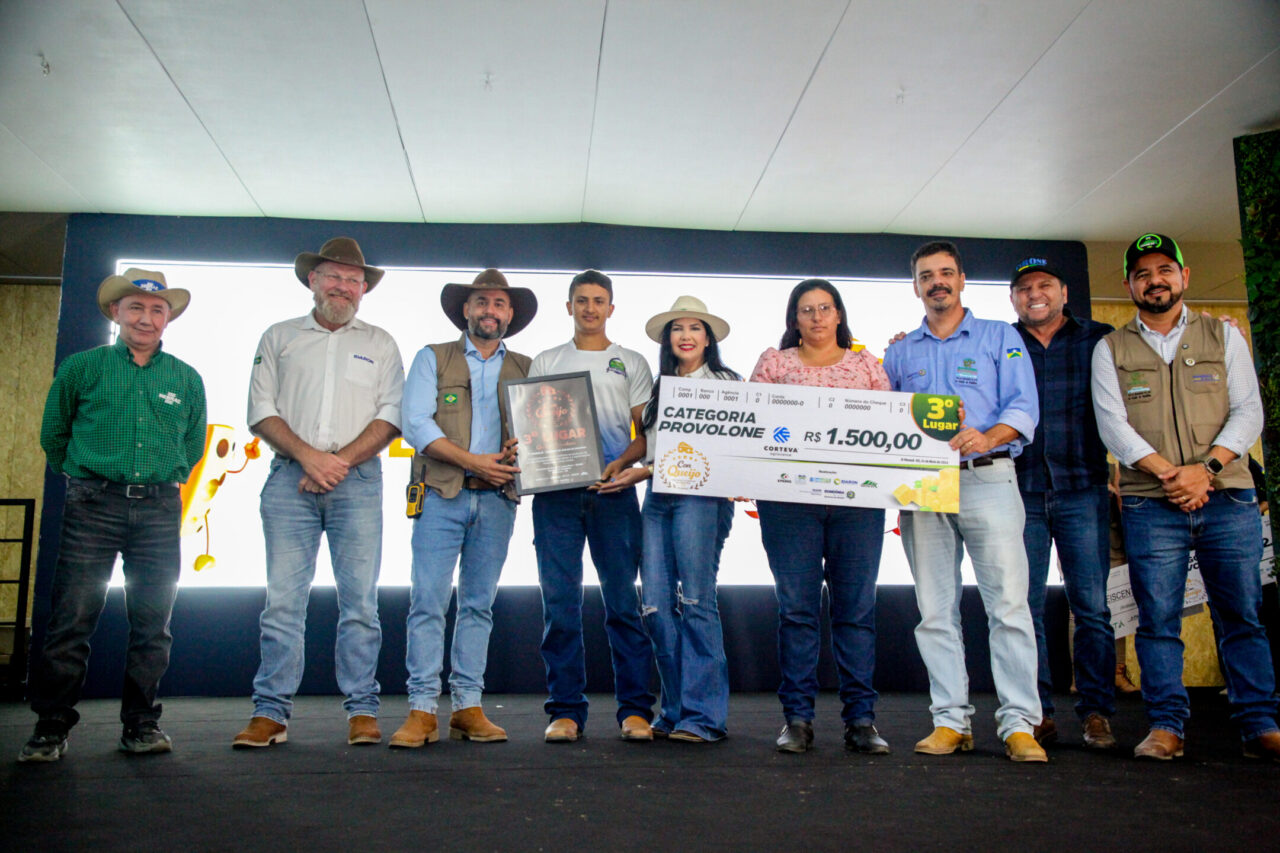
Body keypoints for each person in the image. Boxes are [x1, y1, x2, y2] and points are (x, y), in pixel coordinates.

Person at [1091, 232, 1280, 761]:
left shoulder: (1224, 335)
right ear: (1129, 284)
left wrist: (1206, 470)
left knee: (1241, 614)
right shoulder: (1111, 348)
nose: (1155, 281)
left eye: (1164, 271)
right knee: (1158, 619)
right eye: (1143, 274)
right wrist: (1172, 476)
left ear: (1184, 276)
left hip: (1228, 497)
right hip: (1150, 503)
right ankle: (1166, 726)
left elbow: (1249, 410)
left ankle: (1259, 724)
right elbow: (1112, 425)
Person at [20, 269, 206, 762]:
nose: (146, 318)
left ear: (168, 319)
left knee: (153, 625)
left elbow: (192, 444)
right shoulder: (83, 367)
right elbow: (54, 434)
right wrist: (86, 480)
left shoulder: (186, 378)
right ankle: (50, 727)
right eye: (136, 308)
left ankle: (141, 725)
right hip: (93, 505)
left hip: (160, 509)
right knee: (72, 620)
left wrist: (162, 482)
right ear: (115, 312)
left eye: (157, 310)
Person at [234, 237, 403, 748]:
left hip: (359, 482)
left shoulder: (381, 343)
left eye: (354, 280)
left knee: (361, 604)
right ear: (312, 280)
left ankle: (362, 711)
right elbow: (260, 410)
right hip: (290, 478)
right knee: (282, 605)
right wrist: (310, 457)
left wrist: (335, 463)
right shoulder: (279, 337)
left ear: (364, 289)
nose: (343, 286)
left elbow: (390, 417)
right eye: (334, 276)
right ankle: (270, 713)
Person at [882, 241, 1046, 763]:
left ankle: (1019, 723)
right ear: (916, 287)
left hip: (987, 475)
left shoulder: (1000, 336)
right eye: (926, 275)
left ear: (962, 280)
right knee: (934, 610)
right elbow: (884, 421)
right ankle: (950, 721)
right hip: (923, 486)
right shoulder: (899, 351)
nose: (937, 282)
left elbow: (1024, 407)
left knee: (1009, 607)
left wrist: (989, 435)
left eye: (946, 272)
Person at [391, 269, 536, 747]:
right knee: (427, 603)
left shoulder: (528, 368)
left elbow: (542, 436)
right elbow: (415, 424)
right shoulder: (432, 357)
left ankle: (468, 707)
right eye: (481, 302)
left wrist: (526, 454)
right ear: (466, 310)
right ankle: (422, 709)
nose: (489, 311)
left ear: (510, 315)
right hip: (440, 495)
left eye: (499, 303)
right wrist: (475, 462)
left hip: (498, 501)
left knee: (478, 606)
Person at [750, 279, 894, 755]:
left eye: (825, 308)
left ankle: (862, 721)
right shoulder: (774, 363)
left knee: (856, 611)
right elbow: (751, 427)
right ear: (794, 318)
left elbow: (890, 430)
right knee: (797, 611)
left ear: (839, 315)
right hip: (788, 505)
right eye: (806, 309)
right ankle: (798, 720)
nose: (816, 317)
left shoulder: (867, 366)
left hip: (857, 505)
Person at [602, 296, 739, 743]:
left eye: (695, 328)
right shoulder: (660, 387)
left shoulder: (727, 383)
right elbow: (651, 443)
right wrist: (631, 466)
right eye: (677, 328)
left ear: (708, 338)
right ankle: (677, 710)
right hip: (657, 499)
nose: (686, 335)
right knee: (657, 606)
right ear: (668, 339)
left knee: (697, 601)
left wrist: (644, 471)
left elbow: (718, 451)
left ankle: (705, 718)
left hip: (702, 499)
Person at [529, 269, 656, 743]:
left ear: (611, 308)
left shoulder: (631, 362)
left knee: (623, 604)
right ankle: (565, 712)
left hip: (614, 493)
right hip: (556, 496)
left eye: (598, 300)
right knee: (560, 606)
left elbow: (646, 433)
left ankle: (636, 710)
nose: (589, 308)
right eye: (581, 300)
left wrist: (621, 463)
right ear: (569, 307)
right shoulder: (547, 360)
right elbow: (532, 426)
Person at [1008, 257, 1118, 750]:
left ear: (1063, 292)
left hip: (1083, 488)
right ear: (1013, 298)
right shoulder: (1002, 342)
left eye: (1044, 284)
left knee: (1092, 608)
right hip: (1020, 490)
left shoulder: (1101, 339)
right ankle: (1037, 714)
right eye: (1024, 287)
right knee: (1024, 607)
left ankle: (1096, 713)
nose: (1035, 293)